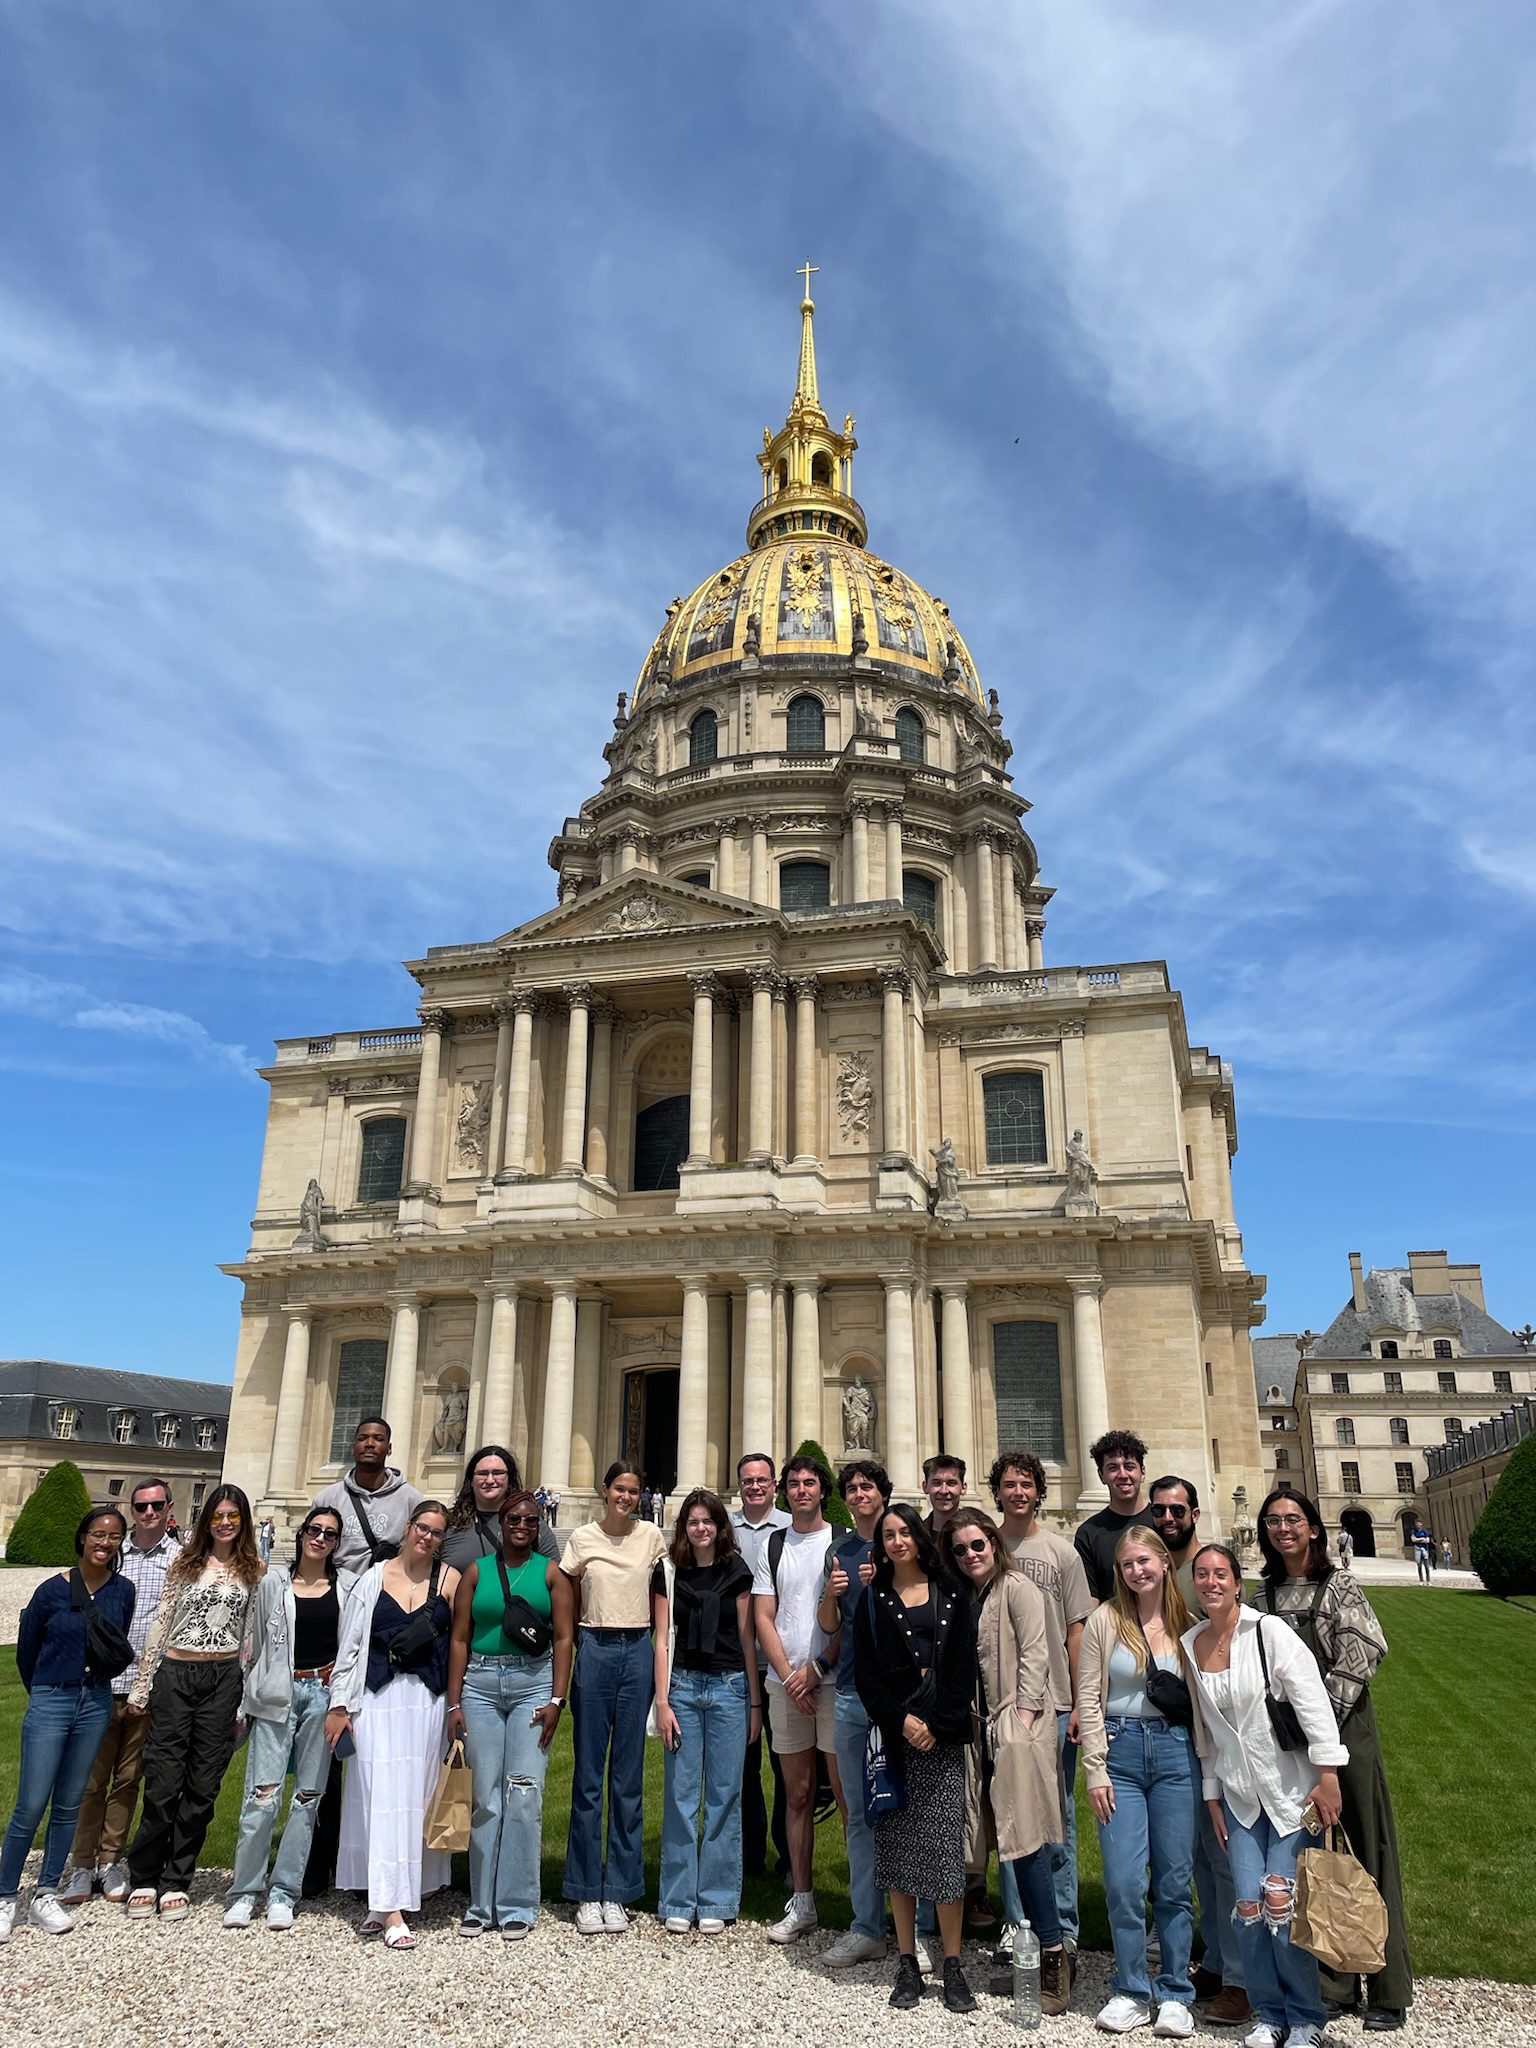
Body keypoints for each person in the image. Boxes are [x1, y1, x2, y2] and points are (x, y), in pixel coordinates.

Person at [1256, 1487, 1411, 2032]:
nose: (1284, 1529)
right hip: (1297, 1744)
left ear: (1315, 1529)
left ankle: (1388, 1989)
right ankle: (1335, 1982)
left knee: (1367, 1850)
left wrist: (1316, 1721)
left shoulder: (1338, 1585)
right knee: (1315, 1861)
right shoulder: (1264, 1596)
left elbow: (1364, 1651)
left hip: (1345, 1734)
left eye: (1294, 1519)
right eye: (1273, 1521)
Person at [1186, 1541, 1347, 2048]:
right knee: (1248, 1908)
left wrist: (1328, 1775)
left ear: (1237, 1582)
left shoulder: (1268, 1632)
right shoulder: (1192, 1643)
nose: (1211, 1583)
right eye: (1202, 1575)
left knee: (1283, 1903)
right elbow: (1206, 1733)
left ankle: (1305, 2016)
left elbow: (1312, 1700)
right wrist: (1212, 1794)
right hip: (1238, 1796)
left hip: (1289, 1791)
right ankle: (1268, 2011)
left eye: (1221, 1575)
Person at [853, 1502, 980, 2014]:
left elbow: (963, 1667)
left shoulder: (952, 1591)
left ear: (918, 1539)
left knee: (945, 1855)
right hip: (897, 1734)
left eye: (905, 1532)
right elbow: (867, 1676)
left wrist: (940, 1725)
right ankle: (907, 1961)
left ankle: (951, 1964)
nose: (898, 1541)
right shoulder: (872, 1599)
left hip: (942, 1737)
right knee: (898, 1851)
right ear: (880, 1544)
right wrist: (900, 1722)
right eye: (889, 1535)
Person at [943, 1509, 1070, 2017]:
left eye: (978, 1545)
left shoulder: (1017, 1587)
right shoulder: (972, 1595)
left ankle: (1056, 1958)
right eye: (960, 1549)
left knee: (1026, 1846)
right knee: (1002, 1843)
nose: (971, 1555)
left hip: (1015, 1729)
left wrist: (1020, 1716)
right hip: (983, 1732)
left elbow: (1036, 1652)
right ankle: (1032, 1962)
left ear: (994, 1544)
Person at [1076, 1524, 1198, 2037]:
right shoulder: (1106, 1619)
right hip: (1120, 1753)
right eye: (1127, 1564)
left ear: (1164, 1563)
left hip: (1175, 1755)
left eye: (1143, 1561)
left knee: (1173, 1883)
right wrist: (1096, 1769)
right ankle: (1130, 1988)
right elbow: (1088, 1696)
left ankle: (1174, 1991)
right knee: (1125, 1883)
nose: (1135, 1571)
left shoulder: (1187, 1622)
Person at [124, 1485, 265, 1920]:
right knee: (164, 1780)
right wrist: (143, 1683)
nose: (225, 1523)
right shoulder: (185, 1563)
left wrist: (242, 1697)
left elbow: (250, 1638)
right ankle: (145, 1874)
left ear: (243, 1522)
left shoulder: (253, 1570)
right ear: (207, 1521)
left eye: (233, 1517)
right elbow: (162, 1623)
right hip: (176, 1672)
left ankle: (177, 1879)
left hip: (222, 1678)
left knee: (204, 1785)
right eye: (218, 1516)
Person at [325, 1499, 459, 1948]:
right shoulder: (372, 1579)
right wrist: (339, 1705)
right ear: (407, 1528)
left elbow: (461, 1645)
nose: (427, 1537)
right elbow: (350, 1646)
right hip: (377, 1700)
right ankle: (392, 1909)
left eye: (437, 1532)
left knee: (414, 1799)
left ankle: (384, 1903)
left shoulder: (450, 1580)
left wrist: (457, 1706)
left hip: (426, 1702)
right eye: (422, 1528)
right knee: (379, 1797)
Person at [1, 1507, 137, 1941]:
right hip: (52, 1698)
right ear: (82, 1538)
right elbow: (28, 1650)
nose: (105, 1543)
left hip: (96, 1700)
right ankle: (5, 1895)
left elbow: (114, 1643)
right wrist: (44, 1690)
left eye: (114, 1537)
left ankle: (45, 1892)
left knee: (69, 1803)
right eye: (98, 1534)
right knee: (31, 1803)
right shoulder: (49, 1592)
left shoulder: (123, 1591)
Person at [445, 1489, 573, 1939]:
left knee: (523, 1791)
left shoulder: (552, 1574)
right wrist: (454, 1701)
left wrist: (557, 1699)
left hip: (532, 1684)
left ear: (540, 1526)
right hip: (479, 1685)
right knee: (484, 1796)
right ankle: (481, 1903)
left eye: (530, 1521)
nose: (522, 1526)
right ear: (501, 1524)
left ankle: (517, 1902)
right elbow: (459, 1638)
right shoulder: (476, 1573)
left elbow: (562, 1639)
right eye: (514, 1520)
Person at [223, 1506, 357, 1930]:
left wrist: (340, 1701)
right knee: (261, 1798)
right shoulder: (272, 1584)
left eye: (330, 1534)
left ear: (337, 1543)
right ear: (301, 1534)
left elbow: (350, 1649)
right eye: (314, 1530)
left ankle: (284, 1892)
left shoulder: (348, 1587)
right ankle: (244, 1891)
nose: (320, 1538)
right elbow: (257, 1641)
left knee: (308, 1800)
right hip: (278, 1692)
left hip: (322, 1696)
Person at [1148, 1474, 1249, 2028]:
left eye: (1176, 1509)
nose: (1168, 1517)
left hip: (1214, 1735)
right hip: (1175, 1732)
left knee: (1224, 1859)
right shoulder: (1157, 1571)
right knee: (1198, 1863)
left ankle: (1239, 1976)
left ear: (1193, 1512)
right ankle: (1216, 1958)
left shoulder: (1206, 1573)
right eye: (1159, 1510)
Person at [990, 1450, 1091, 1963]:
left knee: (1057, 1817)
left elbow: (1078, 1628)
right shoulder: (984, 1548)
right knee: (1011, 1815)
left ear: (1038, 1491)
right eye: (1009, 1484)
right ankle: (1017, 1923)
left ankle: (1065, 1924)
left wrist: (1076, 1700)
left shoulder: (1062, 1552)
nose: (1019, 1492)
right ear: (998, 1491)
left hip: (1052, 1702)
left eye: (1026, 1484)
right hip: (1001, 1706)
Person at [62, 1476, 181, 1906]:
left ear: (169, 1508)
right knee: (92, 1782)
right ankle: (81, 1863)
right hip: (98, 1682)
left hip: (145, 1685)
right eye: (141, 1506)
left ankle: (110, 1859)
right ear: (132, 1510)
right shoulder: (111, 1552)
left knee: (128, 1780)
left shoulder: (181, 1559)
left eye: (156, 1506)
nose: (148, 1513)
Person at [560, 1461, 668, 1934]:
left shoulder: (652, 1538)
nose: (626, 1496)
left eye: (634, 1491)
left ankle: (620, 1890)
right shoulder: (581, 1540)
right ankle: (585, 1890)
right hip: (596, 1647)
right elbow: (566, 1606)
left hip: (637, 1649)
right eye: (619, 1489)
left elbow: (663, 1603)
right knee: (587, 1775)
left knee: (627, 1778)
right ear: (605, 1491)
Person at [651, 1488, 757, 1933]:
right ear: (683, 1527)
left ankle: (715, 1899)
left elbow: (747, 1639)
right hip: (683, 1688)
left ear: (719, 1526)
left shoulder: (737, 1570)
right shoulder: (668, 1572)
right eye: (693, 1521)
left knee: (724, 1796)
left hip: (730, 1687)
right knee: (680, 1795)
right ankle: (677, 1897)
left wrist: (754, 1701)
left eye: (707, 1521)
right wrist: (662, 1701)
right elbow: (661, 1638)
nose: (700, 1528)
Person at [754, 1452, 844, 1946]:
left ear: (822, 1490)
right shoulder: (773, 1544)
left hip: (832, 1685)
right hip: (786, 1685)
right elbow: (764, 1616)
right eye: (794, 1483)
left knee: (847, 1796)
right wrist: (790, 1675)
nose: (801, 1490)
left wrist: (819, 1668)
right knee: (797, 1795)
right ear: (784, 1491)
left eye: (810, 1482)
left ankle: (867, 1911)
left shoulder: (843, 1543)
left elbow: (849, 1620)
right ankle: (803, 1901)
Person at [815, 1458, 892, 1968]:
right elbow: (828, 1624)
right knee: (859, 1816)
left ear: (883, 1494)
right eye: (854, 1488)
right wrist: (833, 1592)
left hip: (896, 1696)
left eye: (868, 1487)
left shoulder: (901, 1542)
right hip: (849, 1694)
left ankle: (922, 1924)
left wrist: (883, 1578)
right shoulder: (838, 1551)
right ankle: (868, 1925)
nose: (861, 1494)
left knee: (908, 1811)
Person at [730, 1451, 790, 1882]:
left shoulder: (794, 1528)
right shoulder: (721, 1528)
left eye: (762, 1480)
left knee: (790, 1766)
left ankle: (790, 1856)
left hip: (781, 1663)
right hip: (734, 1662)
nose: (755, 1486)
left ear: (774, 1485)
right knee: (743, 1767)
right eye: (748, 1480)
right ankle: (750, 1856)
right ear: (740, 1485)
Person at [312, 1417, 426, 1575]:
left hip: (387, 1592)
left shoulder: (411, 1500)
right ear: (353, 1448)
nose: (370, 1444)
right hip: (336, 1592)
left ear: (389, 1448)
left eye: (378, 1439)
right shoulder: (326, 1498)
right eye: (362, 1438)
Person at [440, 1444, 560, 1573]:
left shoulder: (532, 1525)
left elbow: (555, 1578)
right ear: (471, 1481)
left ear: (509, 1479)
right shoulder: (448, 1524)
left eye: (498, 1473)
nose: (490, 1480)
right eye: (482, 1473)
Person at [1074, 1429, 1151, 1602]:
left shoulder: (1165, 1521)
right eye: (1113, 1468)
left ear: (1142, 1472)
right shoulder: (1088, 1534)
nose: (1123, 1475)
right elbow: (1090, 1600)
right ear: (1101, 1476)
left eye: (1129, 1466)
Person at [921, 1453, 966, 1538]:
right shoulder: (916, 1538)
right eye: (937, 1483)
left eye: (951, 1483)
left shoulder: (977, 1535)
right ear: (925, 1487)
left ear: (963, 1488)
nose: (944, 1491)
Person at [1410, 1519, 1433, 1585]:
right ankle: (1421, 1580)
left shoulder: (1425, 1531)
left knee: (1426, 1566)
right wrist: (1422, 1539)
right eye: (1417, 1524)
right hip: (1417, 1549)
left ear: (1421, 1524)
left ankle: (1428, 1581)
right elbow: (1413, 1539)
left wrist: (1418, 1540)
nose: (1418, 1525)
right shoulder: (1414, 1531)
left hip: (1424, 1549)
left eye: (1419, 1524)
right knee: (1419, 1565)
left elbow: (1427, 1541)